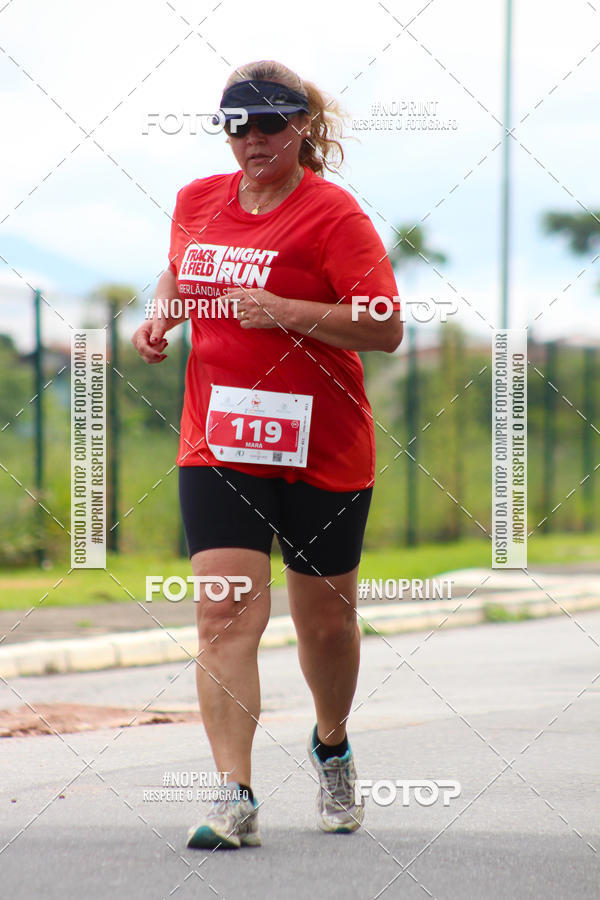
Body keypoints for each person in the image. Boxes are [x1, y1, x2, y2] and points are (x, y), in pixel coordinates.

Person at [132, 59, 403, 849]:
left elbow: (384, 326)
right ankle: (235, 796)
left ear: (302, 129)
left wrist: (285, 310)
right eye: (236, 125)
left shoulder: (334, 216)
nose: (251, 140)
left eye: (270, 124)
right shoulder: (196, 200)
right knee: (222, 614)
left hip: (324, 446)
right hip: (219, 439)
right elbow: (182, 274)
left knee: (326, 627)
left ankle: (331, 743)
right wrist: (162, 318)